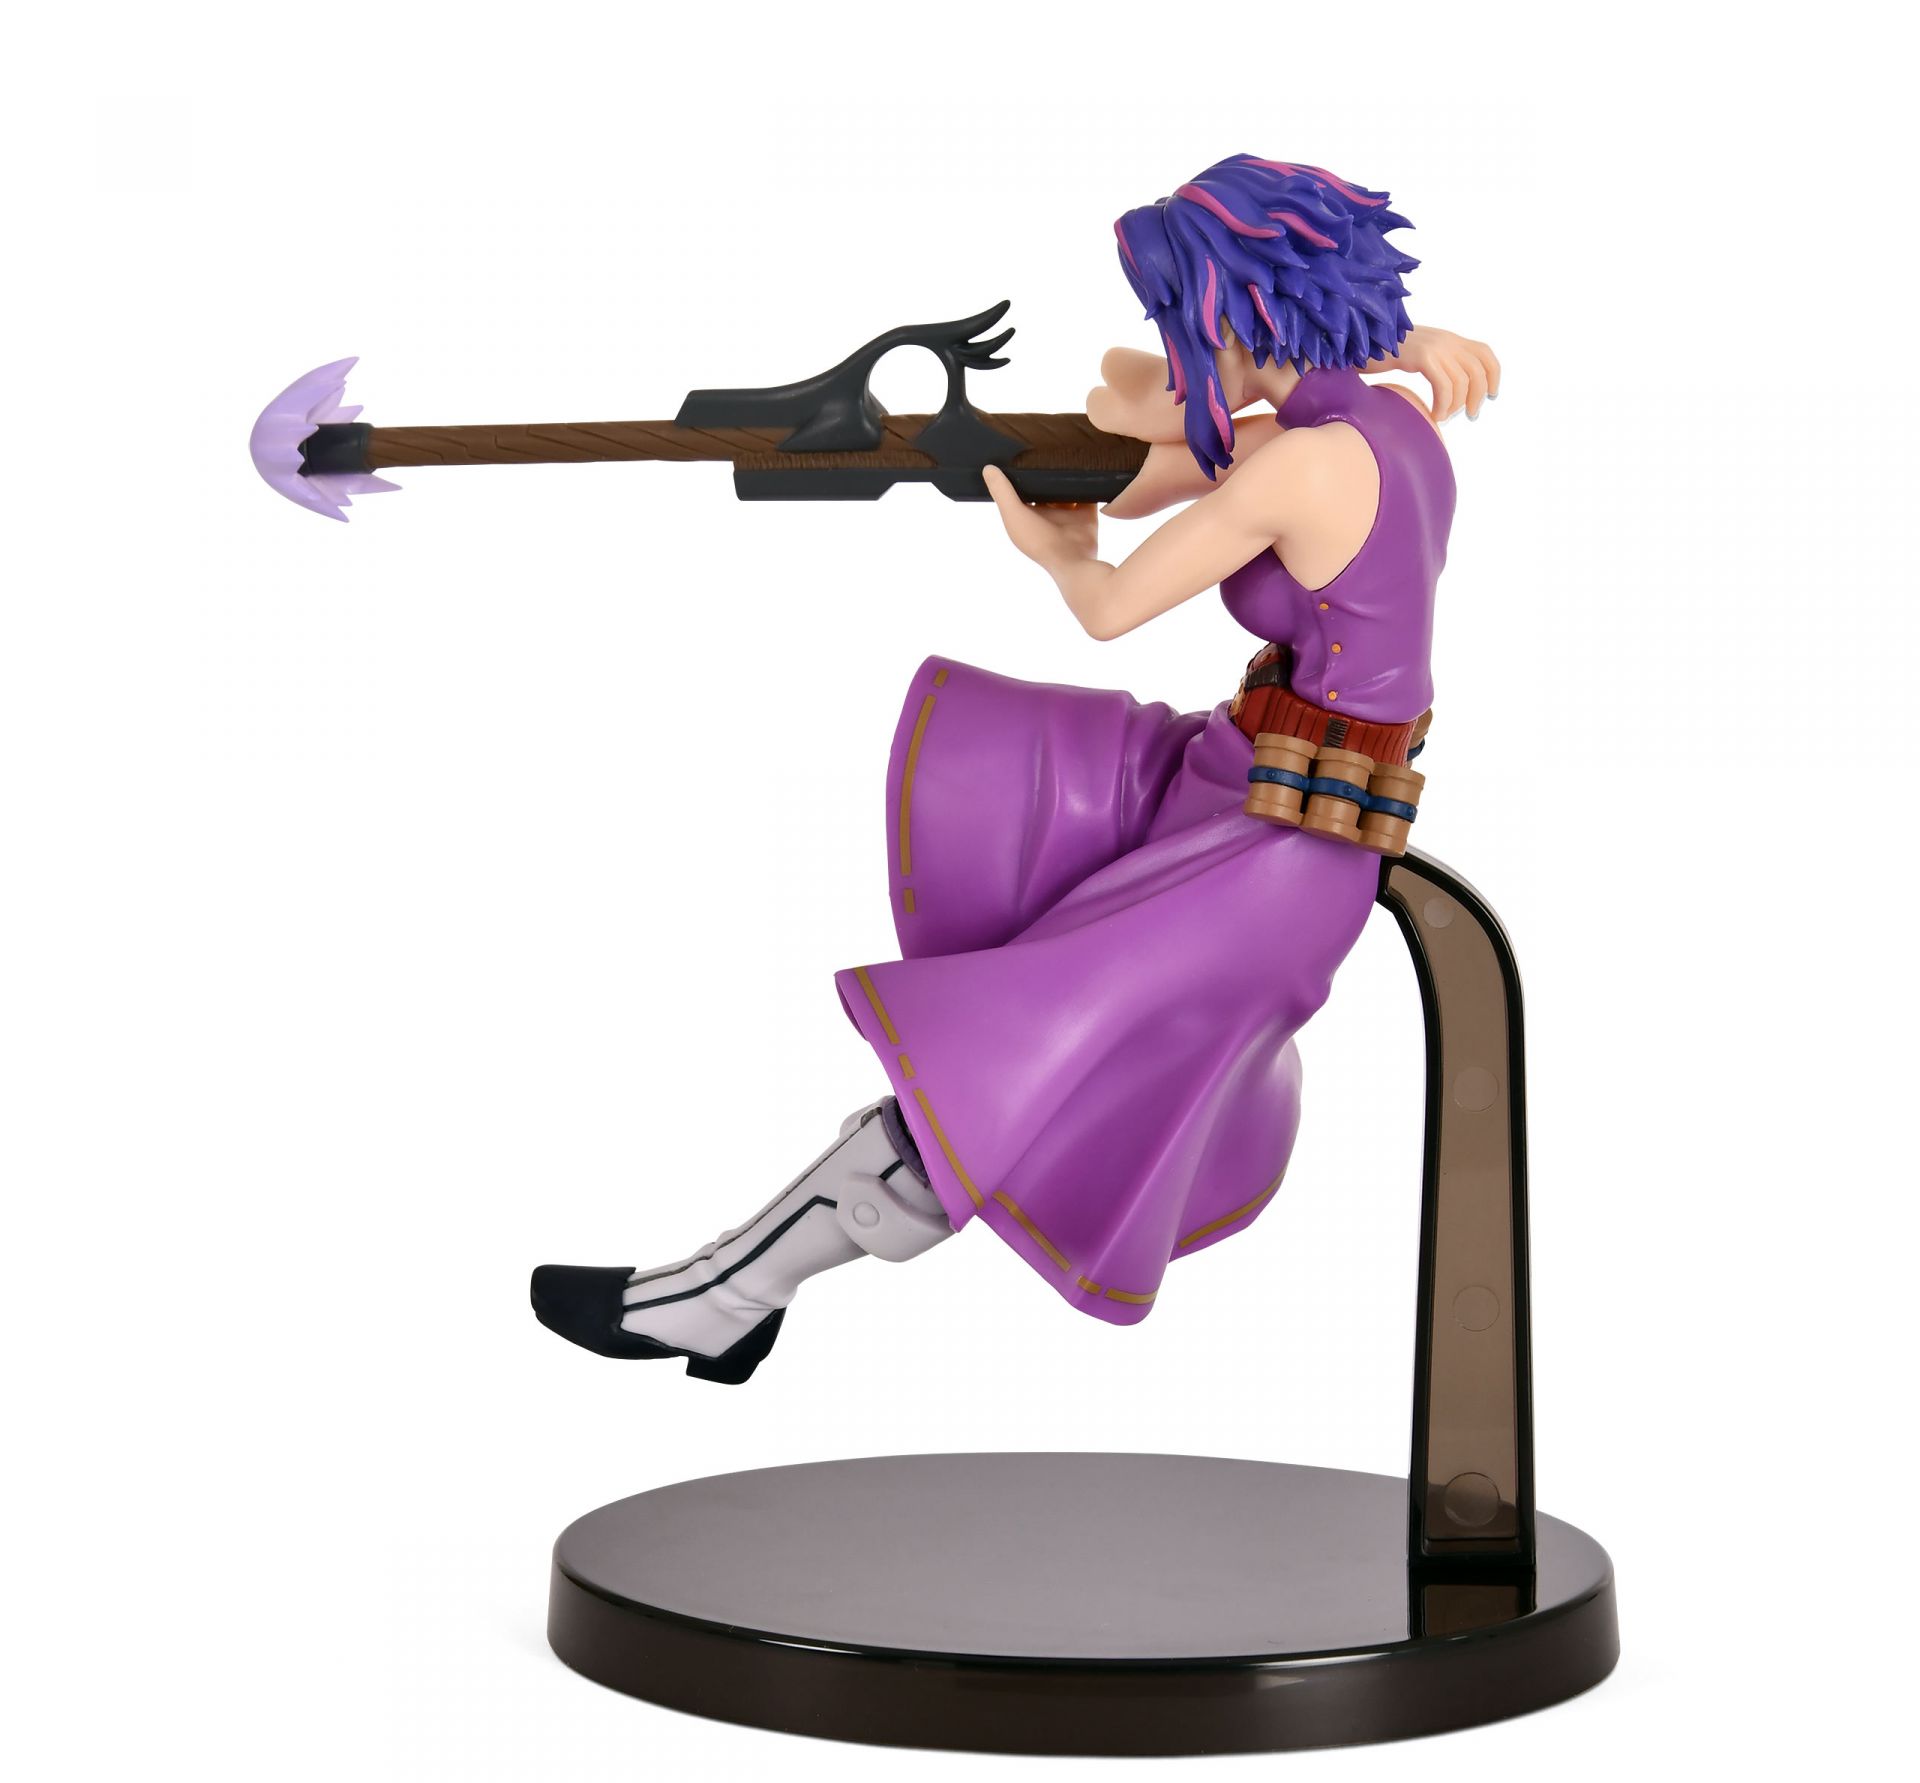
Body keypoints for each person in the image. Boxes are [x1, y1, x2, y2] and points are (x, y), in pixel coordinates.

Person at [531, 154, 1500, 1383]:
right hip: (1240, 779)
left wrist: (1054, 549)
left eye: (1187, 315)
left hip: (1282, 845)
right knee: (1012, 835)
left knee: (1020, 1055)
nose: (1173, 342)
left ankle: (724, 1295)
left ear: (1240, 310)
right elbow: (1141, 443)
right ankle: (730, 1294)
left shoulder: (1297, 463)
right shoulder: (1375, 426)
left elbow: (1110, 605)